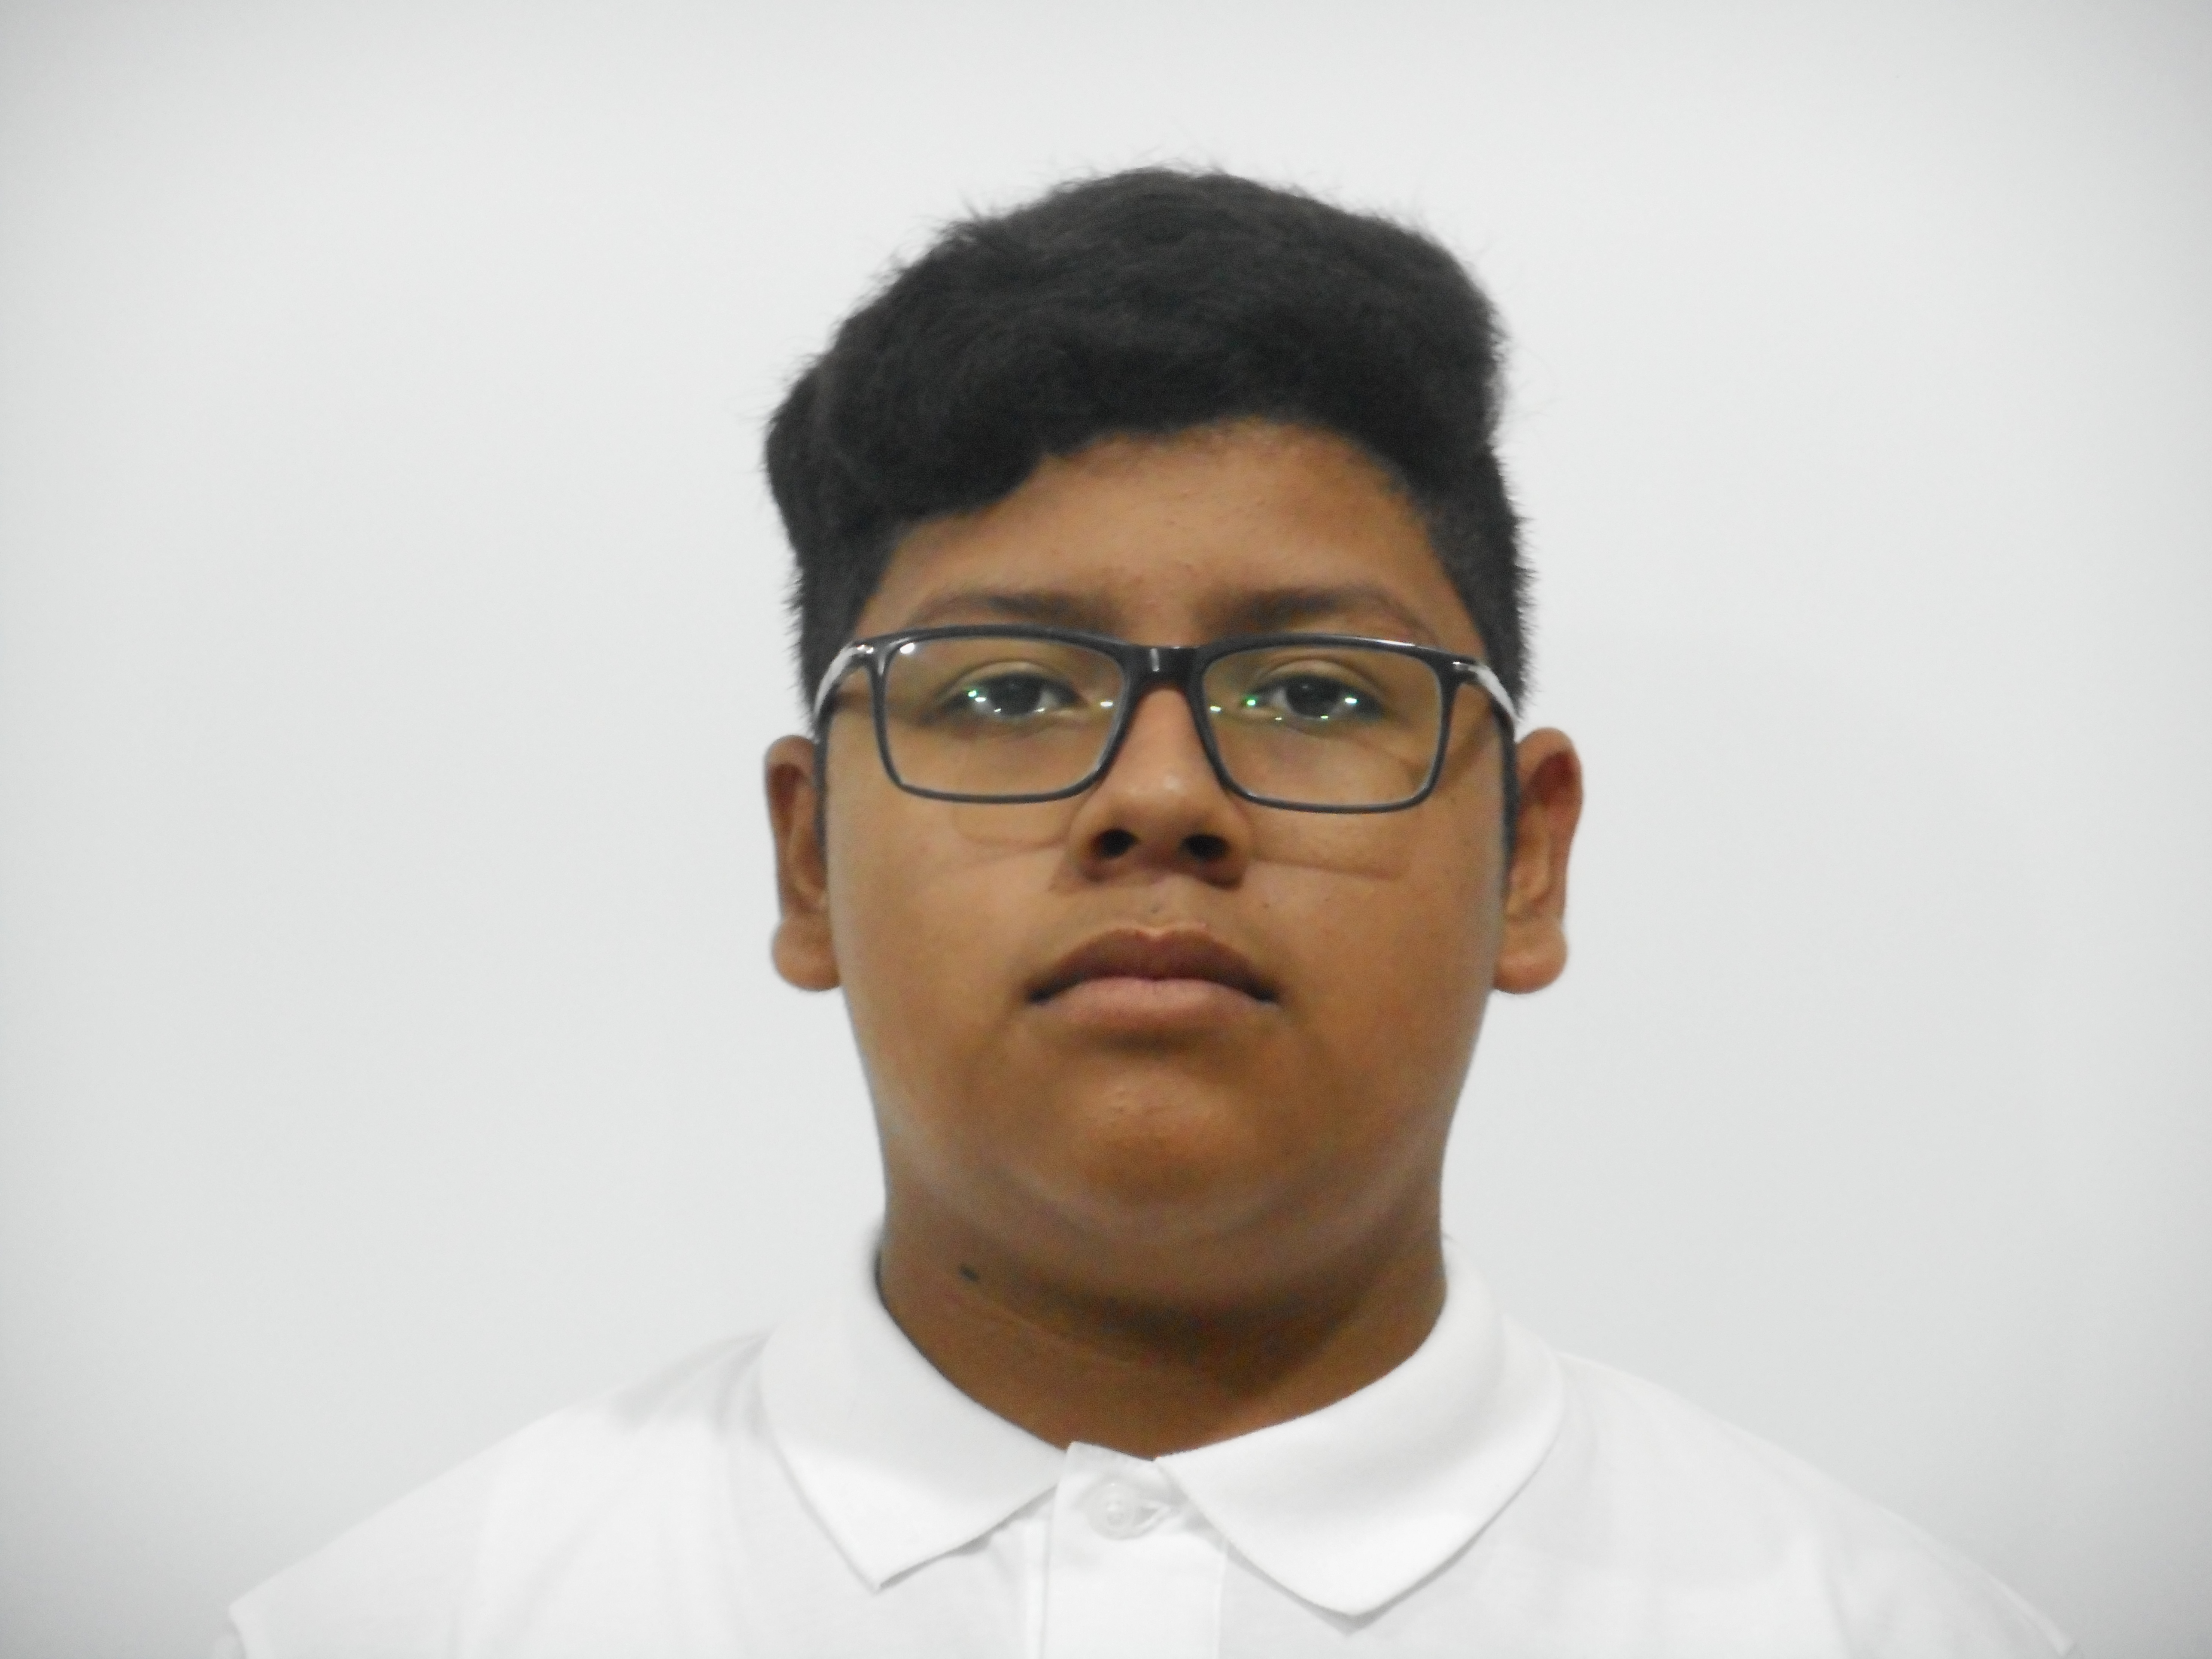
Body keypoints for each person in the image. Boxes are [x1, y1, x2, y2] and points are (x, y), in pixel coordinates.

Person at [214, 168, 2072, 1657]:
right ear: (810, 863)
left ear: (1526, 858)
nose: (1161, 798)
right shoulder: (402, 1626)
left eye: (1318, 694)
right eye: (1007, 691)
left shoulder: (1878, 1633)